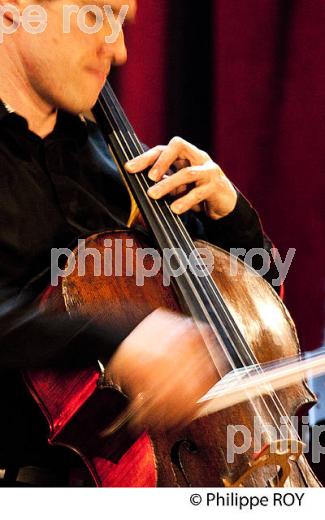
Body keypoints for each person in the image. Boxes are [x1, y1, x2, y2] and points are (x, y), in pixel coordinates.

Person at [0, 0, 279, 485]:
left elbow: (258, 320)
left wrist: (232, 217)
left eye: (121, 22)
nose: (120, 49)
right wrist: (118, 333)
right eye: (95, 14)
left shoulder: (119, 172)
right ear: (12, 11)